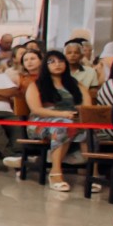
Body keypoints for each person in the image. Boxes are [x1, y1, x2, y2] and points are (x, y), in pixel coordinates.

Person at [28, 50, 89, 192]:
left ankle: (92, 173)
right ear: (45, 65)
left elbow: (87, 105)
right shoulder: (36, 84)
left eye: (61, 61)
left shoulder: (75, 84)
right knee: (63, 126)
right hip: (42, 120)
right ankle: (55, 172)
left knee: (90, 129)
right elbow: (36, 109)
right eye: (52, 62)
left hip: (71, 118)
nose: (57, 64)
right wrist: (62, 114)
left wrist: (77, 114)